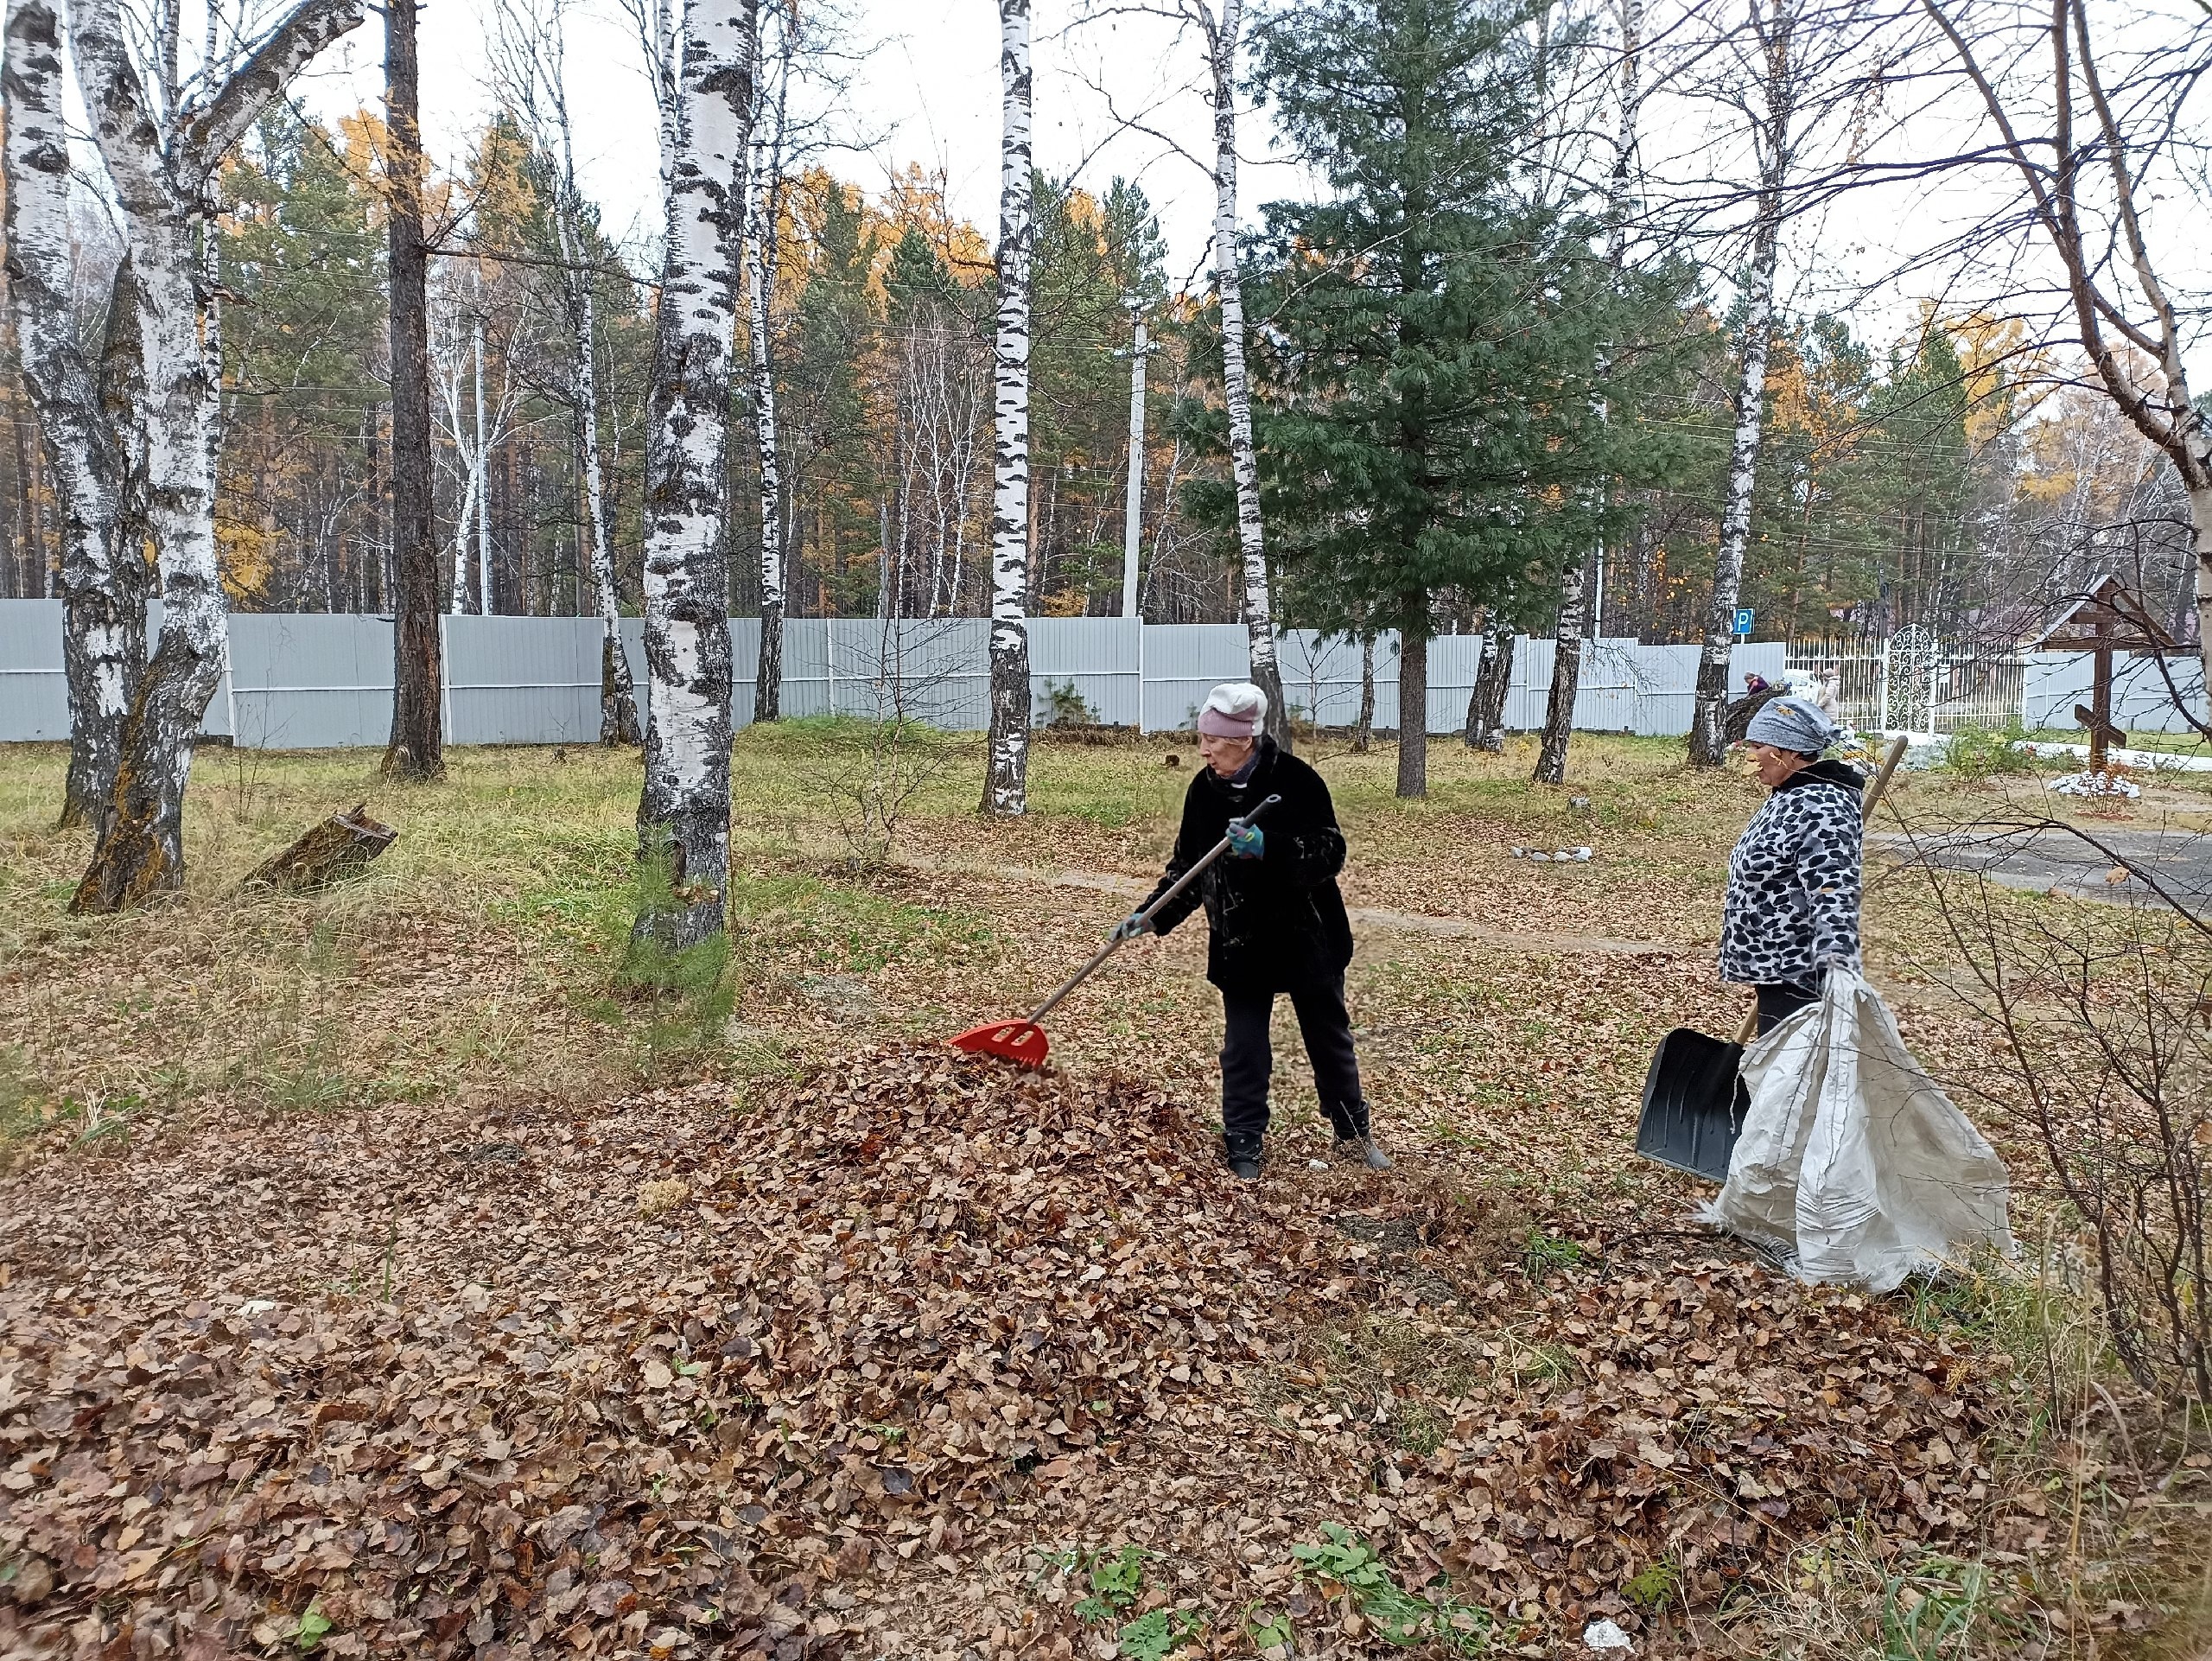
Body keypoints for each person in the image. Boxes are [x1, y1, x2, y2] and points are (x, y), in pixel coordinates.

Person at [1116, 682, 1389, 1180]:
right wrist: (1153, 914)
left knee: (1328, 1038)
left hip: (1308, 936)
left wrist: (1270, 847)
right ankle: (1243, 1139)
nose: (1203, 750)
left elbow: (1329, 854)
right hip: (1241, 939)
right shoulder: (1203, 792)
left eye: (1212, 741)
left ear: (1242, 740)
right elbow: (1190, 869)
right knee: (1243, 1047)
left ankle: (1353, 1131)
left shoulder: (1296, 780)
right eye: (1201, 738)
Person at [1719, 696, 1865, 1035]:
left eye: (1758, 746)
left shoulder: (1821, 807)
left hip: (1800, 976)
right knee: (1774, 1074)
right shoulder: (1790, 795)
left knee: (1790, 1081)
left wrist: (1835, 972)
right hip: (1776, 968)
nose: (1751, 757)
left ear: (1792, 752)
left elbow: (1834, 891)